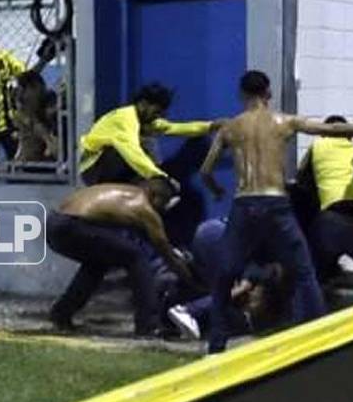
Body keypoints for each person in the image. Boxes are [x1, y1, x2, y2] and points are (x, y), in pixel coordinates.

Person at [201, 70, 353, 355]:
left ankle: (217, 342)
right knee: (304, 270)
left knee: (225, 274)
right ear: (268, 93)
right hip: (276, 204)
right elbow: (329, 130)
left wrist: (216, 191)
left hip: (245, 202)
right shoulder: (284, 121)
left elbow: (206, 170)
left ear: (242, 94)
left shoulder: (230, 128)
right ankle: (322, 334)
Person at [47, 179, 192, 337]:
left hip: (54, 223)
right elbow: (167, 254)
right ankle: (148, 325)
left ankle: (61, 313)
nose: (162, 209)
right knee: (136, 257)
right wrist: (190, 279)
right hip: (72, 226)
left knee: (97, 264)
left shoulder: (126, 192)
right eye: (163, 202)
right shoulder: (144, 208)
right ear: (154, 194)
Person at [294, 116, 353, 295]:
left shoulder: (318, 146)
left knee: (313, 259)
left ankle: (313, 309)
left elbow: (302, 183)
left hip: (336, 216)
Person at [79, 82, 218, 186]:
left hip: (110, 166)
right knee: (144, 145)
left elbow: (175, 128)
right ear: (143, 104)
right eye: (157, 112)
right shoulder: (126, 119)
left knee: (147, 144)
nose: (159, 116)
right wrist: (160, 177)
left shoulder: (145, 121)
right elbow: (132, 151)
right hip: (93, 168)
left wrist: (211, 126)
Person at [0, 27, 54, 176]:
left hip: (8, 124)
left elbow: (26, 75)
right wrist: (4, 85)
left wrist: (43, 60)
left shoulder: (5, 58)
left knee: (17, 167)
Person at [14, 70, 59, 164]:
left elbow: (55, 150)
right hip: (28, 165)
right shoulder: (23, 113)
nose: (22, 96)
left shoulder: (51, 105)